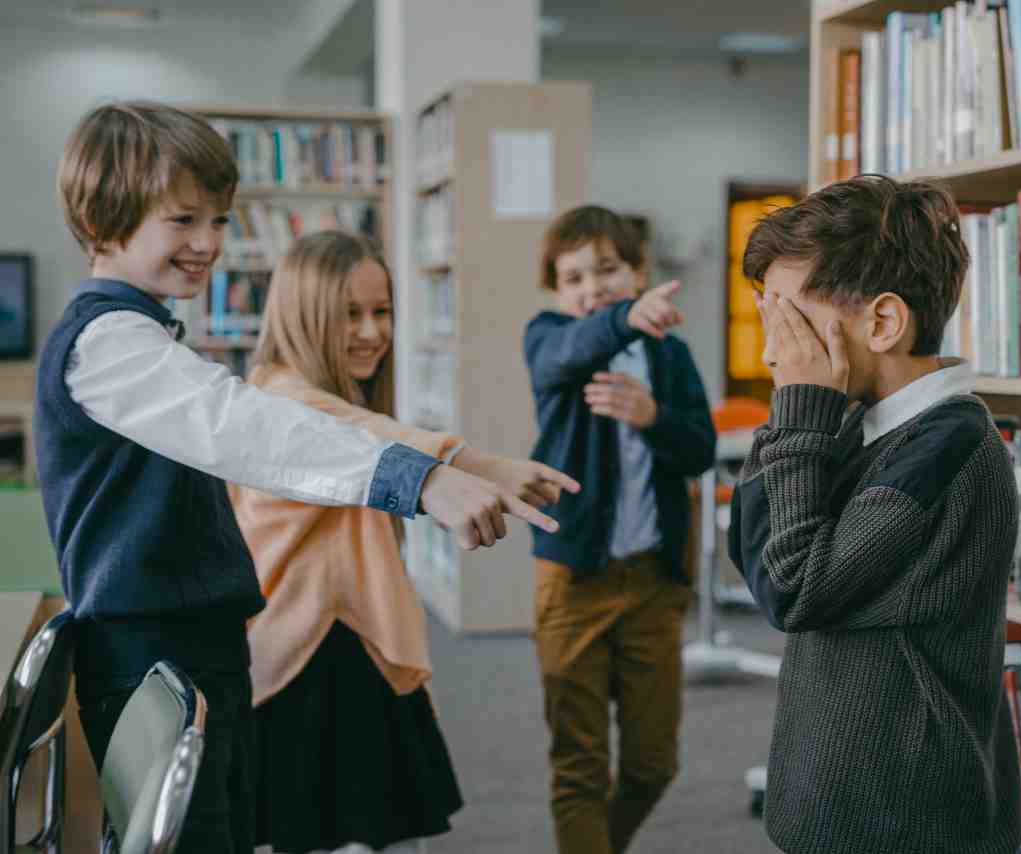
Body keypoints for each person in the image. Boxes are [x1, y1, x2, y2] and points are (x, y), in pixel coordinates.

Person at [35, 101, 560, 854]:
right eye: (184, 221)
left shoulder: (142, 332)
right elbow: (245, 425)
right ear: (104, 217)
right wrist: (421, 480)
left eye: (218, 221)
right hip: (152, 653)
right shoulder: (108, 343)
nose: (209, 244)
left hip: (191, 646)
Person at [231, 230, 578, 853]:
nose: (371, 332)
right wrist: (476, 464)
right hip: (308, 651)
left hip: (344, 636)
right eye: (349, 314)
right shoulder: (280, 397)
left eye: (381, 311)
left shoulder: (321, 392)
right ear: (304, 316)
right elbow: (367, 437)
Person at [728, 175, 1021, 854]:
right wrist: (798, 416)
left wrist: (802, 407)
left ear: (883, 323)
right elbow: (758, 550)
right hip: (842, 795)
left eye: (790, 320)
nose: (774, 350)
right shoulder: (865, 423)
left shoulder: (948, 450)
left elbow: (794, 588)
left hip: (902, 816)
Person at [523, 206, 715, 854]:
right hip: (573, 583)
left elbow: (699, 450)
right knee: (578, 765)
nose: (592, 287)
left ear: (637, 272)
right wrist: (620, 320)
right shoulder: (550, 337)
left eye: (607, 270)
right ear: (556, 290)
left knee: (651, 765)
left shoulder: (670, 355)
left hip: (652, 586)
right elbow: (568, 352)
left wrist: (654, 415)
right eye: (573, 277)